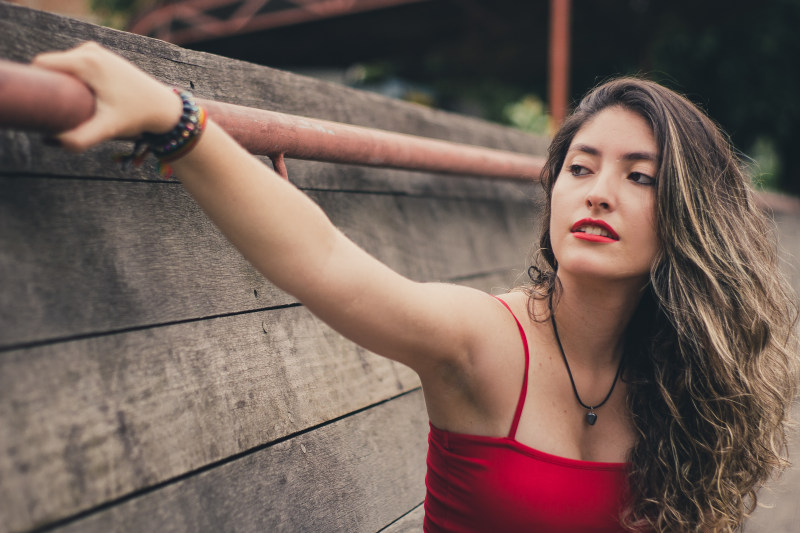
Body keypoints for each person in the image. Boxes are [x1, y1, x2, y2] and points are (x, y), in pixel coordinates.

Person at [32, 42, 799, 532]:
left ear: (688, 218)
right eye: (580, 166)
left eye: (640, 178)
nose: (598, 192)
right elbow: (323, 258)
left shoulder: (684, 382)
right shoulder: (482, 340)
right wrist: (178, 121)